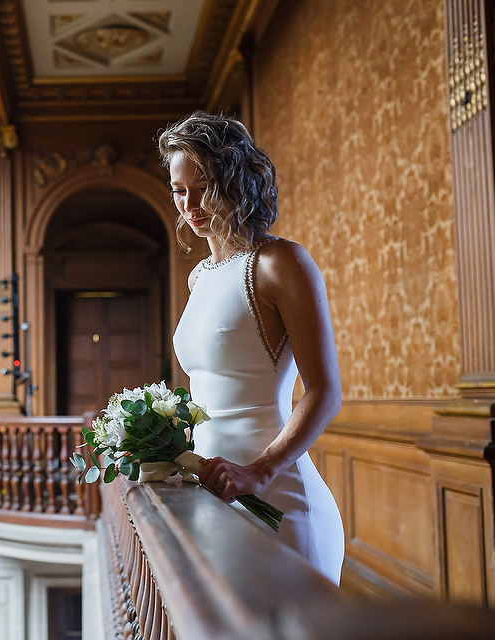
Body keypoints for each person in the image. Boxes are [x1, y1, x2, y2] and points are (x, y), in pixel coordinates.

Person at [159, 112, 345, 585]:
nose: (190, 204)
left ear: (235, 178)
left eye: (203, 185)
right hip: (213, 497)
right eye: (180, 190)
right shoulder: (198, 277)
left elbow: (324, 391)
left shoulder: (280, 262)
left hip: (276, 497)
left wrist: (258, 473)